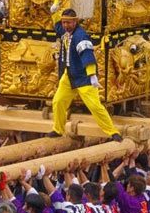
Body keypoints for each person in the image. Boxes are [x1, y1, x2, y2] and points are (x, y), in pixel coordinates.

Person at [47, 8, 121, 141]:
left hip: (84, 77)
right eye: (64, 23)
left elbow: (87, 55)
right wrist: (54, 13)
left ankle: (112, 132)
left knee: (95, 106)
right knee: (58, 101)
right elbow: (57, 27)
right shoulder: (65, 31)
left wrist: (92, 75)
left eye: (68, 23)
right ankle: (58, 129)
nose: (65, 25)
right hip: (69, 75)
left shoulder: (80, 36)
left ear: (75, 22)